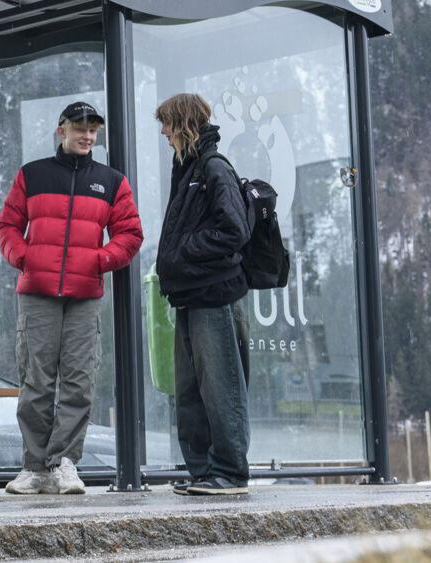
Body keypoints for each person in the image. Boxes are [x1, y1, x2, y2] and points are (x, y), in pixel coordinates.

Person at [0, 101, 143, 494]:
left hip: (85, 296)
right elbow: (8, 224)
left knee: (79, 382)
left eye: (93, 130)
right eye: (80, 128)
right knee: (36, 381)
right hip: (37, 294)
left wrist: (100, 260)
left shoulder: (112, 181)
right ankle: (34, 469)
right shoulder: (33, 174)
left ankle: (64, 464)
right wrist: (23, 257)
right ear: (61, 131)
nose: (87, 136)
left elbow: (130, 234)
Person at [154, 93, 253, 496]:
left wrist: (182, 251)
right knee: (190, 388)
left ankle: (229, 472)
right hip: (191, 295)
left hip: (215, 295)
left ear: (183, 124)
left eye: (166, 124)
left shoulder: (213, 168)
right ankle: (203, 472)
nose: (163, 132)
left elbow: (234, 231)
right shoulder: (189, 168)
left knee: (221, 386)